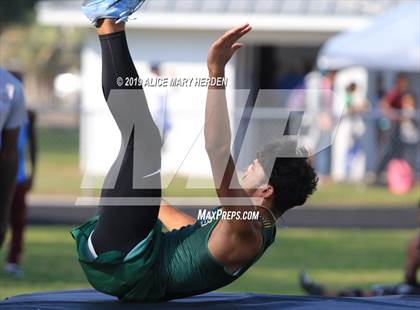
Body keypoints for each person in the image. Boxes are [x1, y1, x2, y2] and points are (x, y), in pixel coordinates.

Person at [73, 0, 318, 302]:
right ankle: (111, 20)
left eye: (256, 163)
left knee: (144, 139)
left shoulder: (247, 227)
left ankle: (108, 17)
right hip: (128, 251)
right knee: (138, 140)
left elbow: (216, 149)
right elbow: (188, 228)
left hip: (127, 262)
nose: (248, 165)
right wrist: (138, 197)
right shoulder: (242, 227)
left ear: (266, 189)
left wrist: (216, 72)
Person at [300, 202, 420, 297]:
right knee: (387, 291)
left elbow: (409, 277)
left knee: (382, 293)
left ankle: (323, 294)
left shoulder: (416, 243)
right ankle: (323, 293)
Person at [4, 106, 37, 278]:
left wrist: (33, 172)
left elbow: (33, 145)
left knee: (18, 222)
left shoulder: (28, 115)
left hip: (18, 178)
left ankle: (12, 261)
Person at [0, 68, 27, 249]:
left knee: (17, 220)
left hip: (14, 175)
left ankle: (13, 261)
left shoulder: (11, 87)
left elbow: (9, 153)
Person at [375, 74, 409, 182]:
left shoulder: (401, 94)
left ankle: (392, 173)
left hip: (396, 128)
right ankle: (378, 172)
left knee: (395, 150)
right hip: (390, 127)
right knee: (387, 150)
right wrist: (395, 116)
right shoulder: (394, 93)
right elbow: (384, 105)